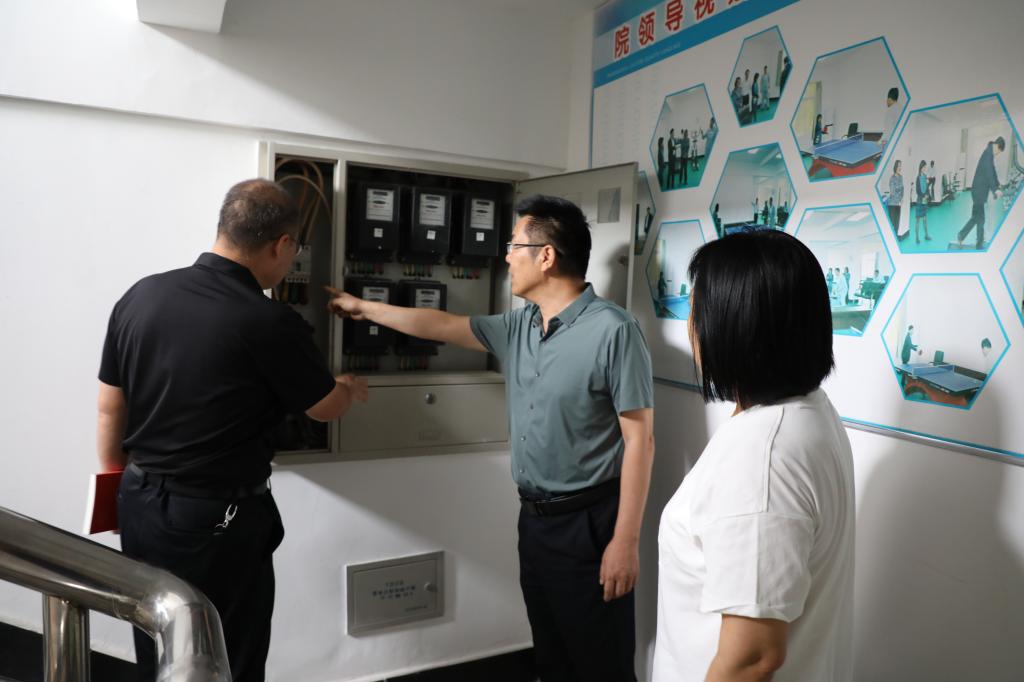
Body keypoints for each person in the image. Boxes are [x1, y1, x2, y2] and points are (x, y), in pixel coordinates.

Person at [327, 195, 655, 681]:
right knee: (552, 656)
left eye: (514, 245)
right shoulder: (520, 325)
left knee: (599, 665)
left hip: (590, 524)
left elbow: (641, 442)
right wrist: (363, 307)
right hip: (535, 521)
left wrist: (625, 542)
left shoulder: (614, 330)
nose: (505, 257)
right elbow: (441, 325)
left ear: (546, 256)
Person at [97, 179, 369, 682]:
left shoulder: (141, 295)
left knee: (158, 641)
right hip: (217, 517)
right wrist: (348, 389)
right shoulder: (269, 321)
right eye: (293, 251)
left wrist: (114, 486)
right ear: (281, 245)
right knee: (228, 652)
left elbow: (110, 407)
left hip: (139, 501)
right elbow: (324, 408)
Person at [652, 229, 854, 682]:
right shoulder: (809, 412)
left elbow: (752, 658)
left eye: (697, 311)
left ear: (732, 327)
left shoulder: (761, 457)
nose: (691, 327)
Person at [957, 136, 1005, 250]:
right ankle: (979, 244)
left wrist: (998, 184)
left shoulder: (989, 153)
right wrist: (995, 189)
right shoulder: (987, 155)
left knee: (976, 217)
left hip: (978, 191)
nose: (998, 154)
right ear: (997, 147)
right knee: (981, 219)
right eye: (999, 151)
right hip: (978, 192)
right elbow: (989, 175)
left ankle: (961, 235)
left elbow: (993, 171)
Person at [887, 160, 907, 241]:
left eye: (900, 166)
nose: (900, 168)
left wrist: (902, 198)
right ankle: (892, 240)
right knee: (893, 224)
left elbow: (902, 188)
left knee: (897, 224)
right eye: (898, 166)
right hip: (892, 204)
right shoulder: (892, 179)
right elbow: (892, 192)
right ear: (895, 167)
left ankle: (895, 239)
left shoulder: (901, 177)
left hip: (898, 204)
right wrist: (899, 199)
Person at [914, 160, 932, 244]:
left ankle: (926, 235)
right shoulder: (918, 178)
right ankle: (917, 238)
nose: (925, 168)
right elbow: (917, 191)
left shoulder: (925, 176)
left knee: (925, 219)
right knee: (918, 219)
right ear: (921, 167)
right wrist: (923, 195)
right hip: (919, 200)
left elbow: (927, 187)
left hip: (924, 199)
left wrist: (927, 194)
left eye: (925, 167)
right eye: (924, 167)